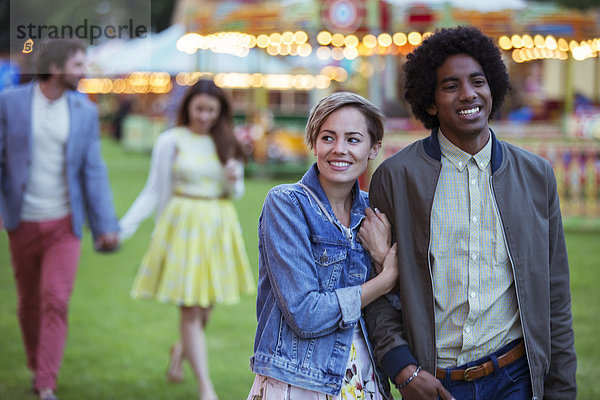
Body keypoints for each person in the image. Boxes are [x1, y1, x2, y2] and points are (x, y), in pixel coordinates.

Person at [364, 26, 577, 400]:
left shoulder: (536, 175)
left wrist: (560, 388)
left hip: (516, 377)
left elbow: (555, 294)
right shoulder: (396, 178)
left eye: (478, 81)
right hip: (436, 384)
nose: (468, 94)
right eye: (450, 85)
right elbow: (377, 289)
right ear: (429, 102)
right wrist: (402, 368)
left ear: (493, 87)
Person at [247, 92, 398, 399]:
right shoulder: (287, 204)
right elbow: (305, 314)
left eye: (353, 140)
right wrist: (386, 279)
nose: (339, 149)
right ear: (314, 142)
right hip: (299, 377)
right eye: (328, 137)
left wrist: (383, 257)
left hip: (363, 378)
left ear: (374, 149)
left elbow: (397, 312)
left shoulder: (375, 215)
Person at [119, 79, 255, 400]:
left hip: (219, 225)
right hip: (183, 228)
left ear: (221, 111)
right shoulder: (172, 141)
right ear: (188, 107)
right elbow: (155, 190)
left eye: (211, 110)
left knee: (207, 306)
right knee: (191, 310)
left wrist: (233, 179)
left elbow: (235, 194)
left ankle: (181, 350)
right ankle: (206, 388)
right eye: (199, 109)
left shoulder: (226, 142)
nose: (205, 116)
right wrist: (127, 227)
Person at [0, 39, 120, 400]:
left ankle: (46, 383)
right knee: (28, 303)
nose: (84, 73)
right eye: (79, 65)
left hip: (64, 226)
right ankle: (39, 363)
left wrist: (106, 226)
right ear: (55, 68)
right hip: (21, 222)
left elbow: (93, 171)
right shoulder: (10, 103)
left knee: (55, 299)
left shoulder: (84, 111)